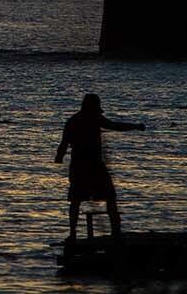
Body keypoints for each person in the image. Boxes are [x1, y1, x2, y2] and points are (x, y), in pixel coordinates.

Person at [56, 93, 145, 243]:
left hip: (79, 167)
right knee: (109, 197)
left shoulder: (73, 121)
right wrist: (135, 126)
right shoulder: (94, 118)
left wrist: (59, 157)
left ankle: (73, 234)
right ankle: (115, 232)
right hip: (94, 167)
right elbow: (115, 126)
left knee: (76, 201)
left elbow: (64, 143)